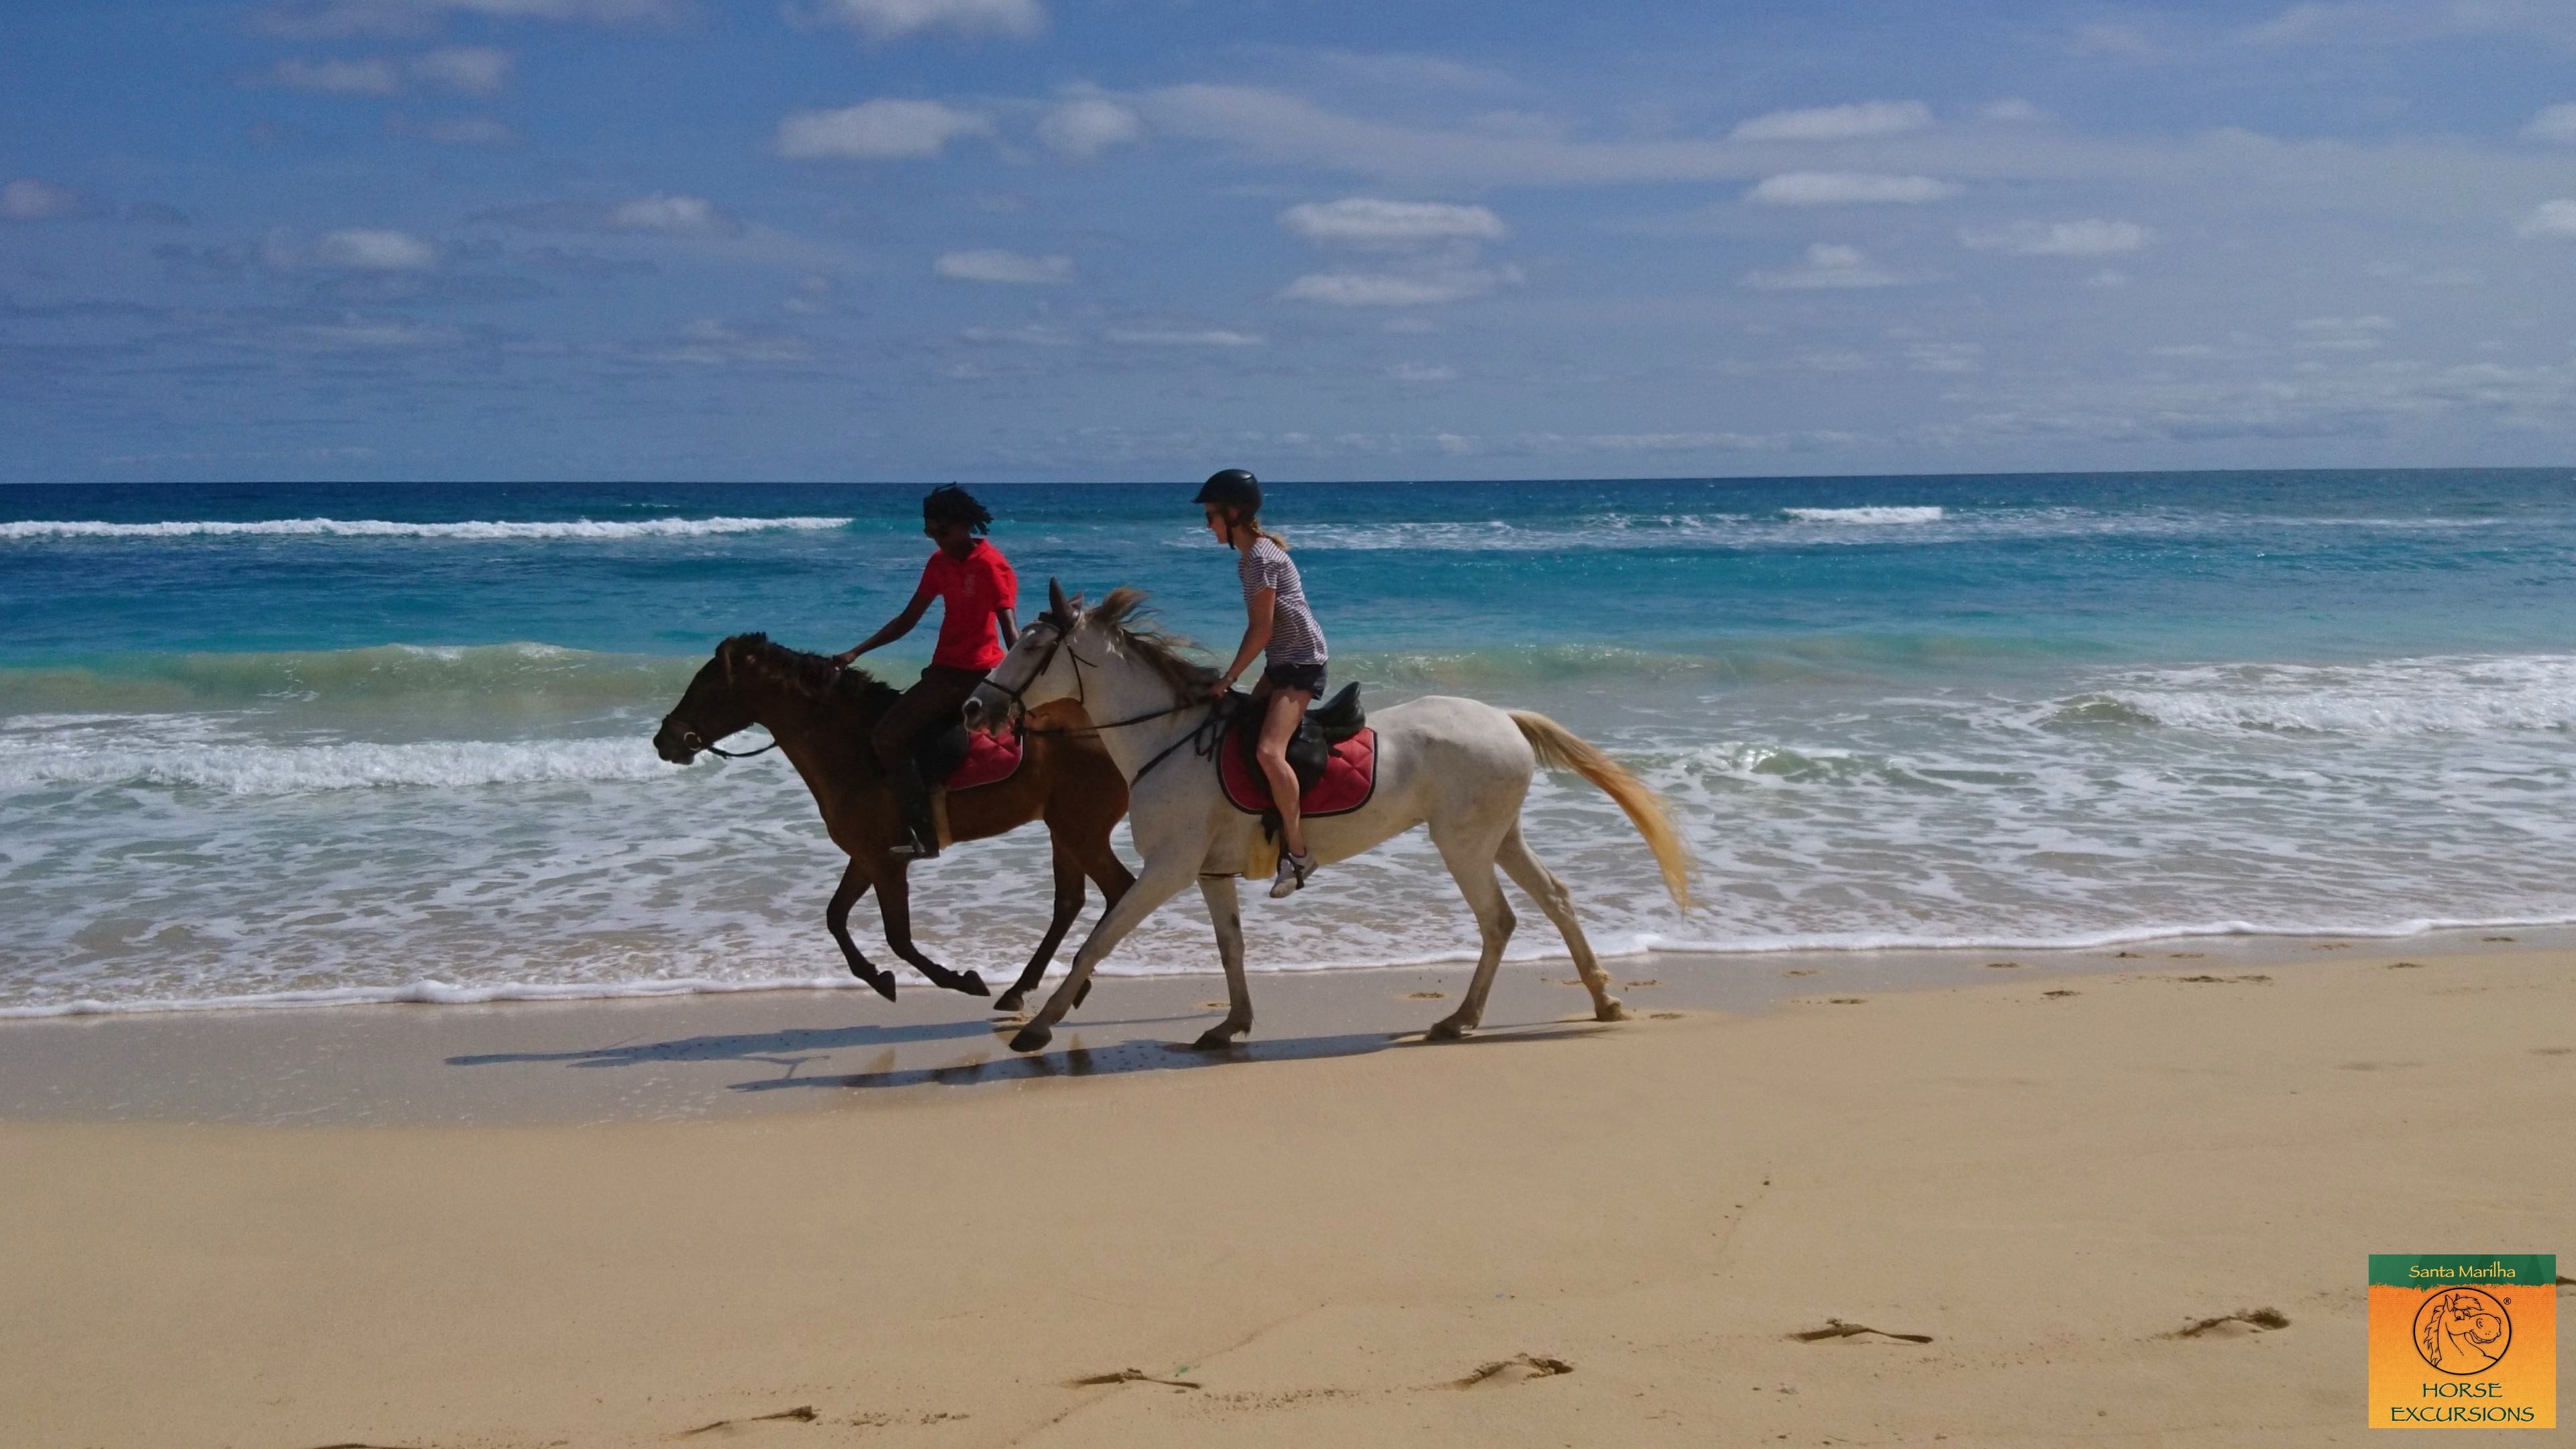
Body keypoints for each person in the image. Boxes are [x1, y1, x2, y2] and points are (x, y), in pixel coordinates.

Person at [835, 484, 1018, 859]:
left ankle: (927, 836)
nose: (937, 541)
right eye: (930, 533)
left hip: (974, 675)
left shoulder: (991, 566)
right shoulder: (940, 564)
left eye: (943, 532)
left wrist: (1022, 688)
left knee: (886, 738)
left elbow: (1011, 632)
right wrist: (857, 651)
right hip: (943, 671)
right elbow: (908, 620)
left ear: (965, 525)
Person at [1197, 468, 1329, 898]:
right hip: (1282, 661)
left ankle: (1298, 854)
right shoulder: (1254, 557)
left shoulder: (1260, 560)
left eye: (1212, 514)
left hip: (1300, 663)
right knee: (1238, 731)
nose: (1207, 524)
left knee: (1269, 752)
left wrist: (1229, 678)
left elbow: (1262, 630)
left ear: (1234, 514)